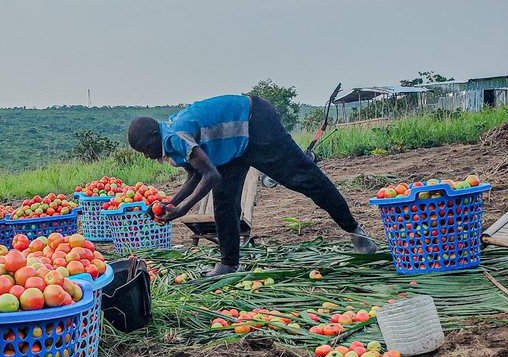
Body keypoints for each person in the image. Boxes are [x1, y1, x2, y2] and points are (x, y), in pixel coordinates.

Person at [128, 94, 376, 275]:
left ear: (153, 137)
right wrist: (170, 204)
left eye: (144, 149)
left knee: (304, 178)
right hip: (232, 148)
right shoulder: (168, 138)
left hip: (255, 122)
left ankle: (356, 231)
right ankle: (228, 263)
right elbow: (195, 175)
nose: (146, 155)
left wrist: (182, 210)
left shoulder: (175, 135)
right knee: (224, 202)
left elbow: (211, 175)